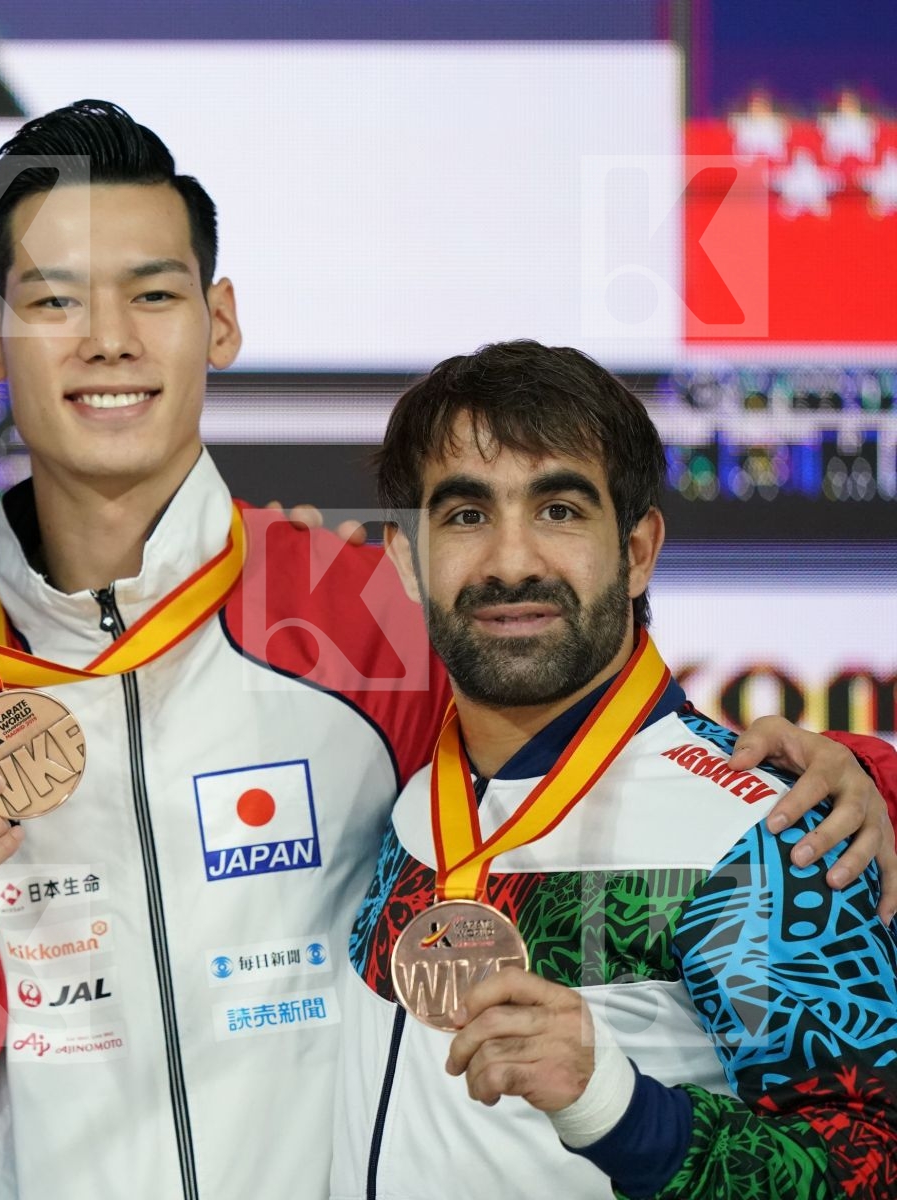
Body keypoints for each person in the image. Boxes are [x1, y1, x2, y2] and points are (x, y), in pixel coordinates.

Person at [0, 102, 897, 1200]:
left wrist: (863, 780)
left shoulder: (359, 606)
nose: (110, 338)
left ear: (219, 321)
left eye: (154, 293)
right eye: (53, 301)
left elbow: (587, 723)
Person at [331, 339, 897, 1199]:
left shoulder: (763, 838)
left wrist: (618, 1107)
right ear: (408, 559)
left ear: (636, 551)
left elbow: (870, 1165)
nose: (512, 562)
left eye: (559, 510)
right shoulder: (408, 796)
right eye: (466, 515)